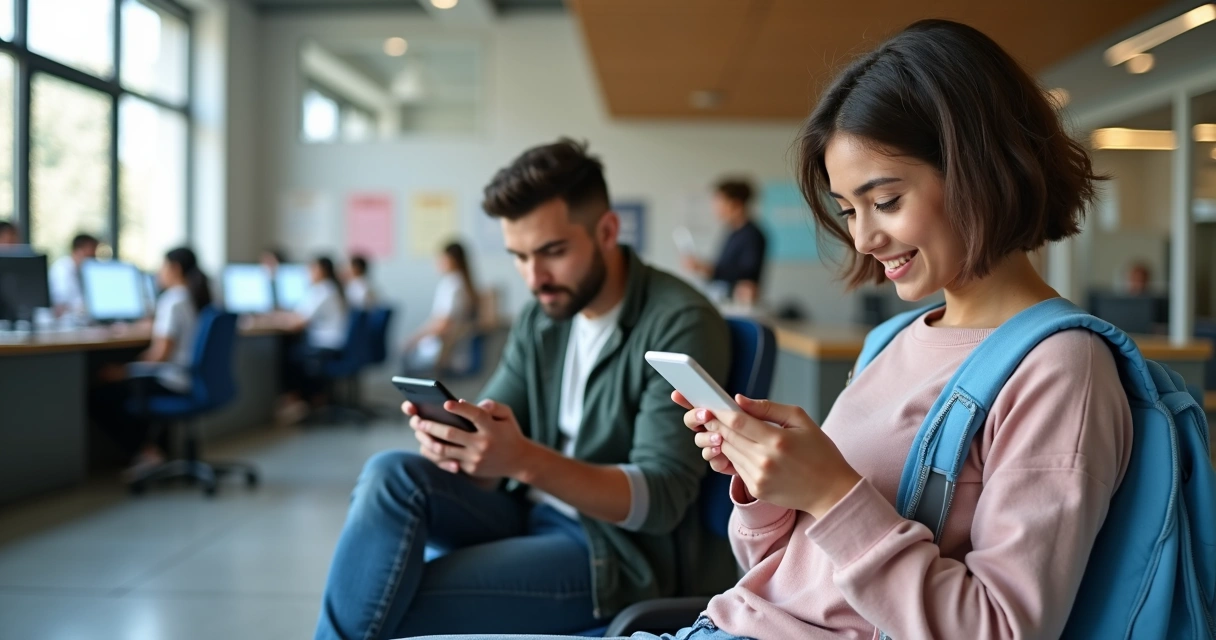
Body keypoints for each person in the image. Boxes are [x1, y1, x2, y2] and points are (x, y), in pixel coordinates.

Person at [421, 19, 1133, 640]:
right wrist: (768, 486)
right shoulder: (894, 340)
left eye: (884, 200)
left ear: (980, 167)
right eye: (849, 211)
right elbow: (779, 576)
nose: (864, 239)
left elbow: (1001, 629)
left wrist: (830, 494)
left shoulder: (1059, 367)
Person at [314, 139, 736, 639]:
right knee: (389, 473)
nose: (535, 278)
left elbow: (661, 498)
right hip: (524, 507)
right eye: (518, 256)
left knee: (382, 598)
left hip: (610, 553)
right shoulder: (546, 314)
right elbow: (495, 417)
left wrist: (518, 460)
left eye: (552, 252)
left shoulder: (679, 321)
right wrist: (464, 446)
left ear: (606, 231)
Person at [90, 247, 212, 472]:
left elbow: (160, 355)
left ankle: (145, 450)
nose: (158, 272)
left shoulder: (172, 301)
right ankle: (155, 448)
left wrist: (124, 371)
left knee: (101, 395)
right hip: (190, 378)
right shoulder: (191, 297)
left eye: (162, 266)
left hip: (174, 380)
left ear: (174, 268)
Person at [277, 255, 349, 421]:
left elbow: (300, 321)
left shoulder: (323, 290)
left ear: (321, 270)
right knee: (295, 350)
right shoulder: (330, 288)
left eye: (311, 269)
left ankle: (298, 402)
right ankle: (312, 399)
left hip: (327, 345)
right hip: (332, 343)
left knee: (292, 355)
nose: (307, 273)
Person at [681, 178, 767, 306]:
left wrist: (706, 268)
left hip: (740, 304)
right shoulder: (731, 233)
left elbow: (747, 273)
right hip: (723, 299)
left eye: (719, 202)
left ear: (736, 204)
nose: (715, 208)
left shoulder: (752, 235)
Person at [399, 241, 479, 375]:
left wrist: (413, 339)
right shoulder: (462, 284)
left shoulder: (453, 286)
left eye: (441, 258)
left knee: (405, 355)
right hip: (451, 347)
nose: (437, 262)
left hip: (445, 350)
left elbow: (443, 324)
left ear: (452, 260)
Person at [48, 233, 100, 318]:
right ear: (78, 251)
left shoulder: (84, 272)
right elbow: (60, 306)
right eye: (90, 256)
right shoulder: (61, 270)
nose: (92, 261)